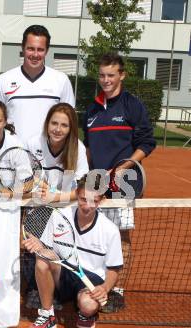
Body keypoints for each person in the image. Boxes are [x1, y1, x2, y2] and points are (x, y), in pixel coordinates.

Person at [82, 53, 156, 311]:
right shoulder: (91, 109)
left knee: (120, 236)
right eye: (102, 75)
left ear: (121, 75)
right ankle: (94, 283)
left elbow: (147, 142)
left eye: (111, 75)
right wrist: (89, 177)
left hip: (125, 180)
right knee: (93, 232)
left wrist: (122, 167)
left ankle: (116, 290)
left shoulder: (132, 105)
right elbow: (89, 148)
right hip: (96, 179)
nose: (106, 80)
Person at [23, 175, 123, 328]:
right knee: (42, 259)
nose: (87, 206)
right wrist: (36, 245)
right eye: (83, 199)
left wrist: (104, 288)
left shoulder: (110, 230)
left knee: (88, 305)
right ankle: (47, 315)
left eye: (94, 201)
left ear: (101, 200)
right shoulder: (60, 215)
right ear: (76, 194)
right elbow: (45, 247)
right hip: (63, 270)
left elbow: (114, 269)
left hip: (90, 278)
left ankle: (85, 311)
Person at [23, 103, 89, 309]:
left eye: (64, 125)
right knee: (30, 245)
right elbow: (25, 176)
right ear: (47, 124)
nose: (57, 129)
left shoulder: (78, 149)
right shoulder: (34, 143)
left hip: (66, 209)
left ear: (71, 129)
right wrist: (39, 184)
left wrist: (56, 196)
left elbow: (81, 189)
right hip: (38, 208)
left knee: (60, 250)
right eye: (54, 123)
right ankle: (35, 287)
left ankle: (61, 291)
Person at [0, 25, 74, 143]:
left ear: (47, 51)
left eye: (40, 49)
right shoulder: (3, 80)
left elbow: (69, 122)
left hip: (49, 156)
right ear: (22, 47)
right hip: (12, 154)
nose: (35, 54)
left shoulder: (61, 80)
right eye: (30, 48)